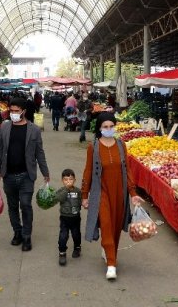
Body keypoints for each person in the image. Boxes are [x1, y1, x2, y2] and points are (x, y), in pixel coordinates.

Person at [82, 112, 143, 280]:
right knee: (107, 225)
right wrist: (84, 195)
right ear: (99, 128)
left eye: (111, 126)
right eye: (105, 127)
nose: (109, 130)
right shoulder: (93, 147)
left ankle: (109, 252)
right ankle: (111, 264)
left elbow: (128, 171)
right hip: (100, 192)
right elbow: (88, 171)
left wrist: (133, 193)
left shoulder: (121, 145)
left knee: (116, 227)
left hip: (120, 193)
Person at [0, 97, 50, 252]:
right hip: (8, 175)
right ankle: (17, 232)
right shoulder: (4, 128)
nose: (13, 113)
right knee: (12, 206)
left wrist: (45, 172)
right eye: (11, 111)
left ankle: (26, 236)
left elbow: (39, 152)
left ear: (23, 111)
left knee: (25, 204)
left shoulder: (34, 130)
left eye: (16, 111)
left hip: (26, 175)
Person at [56, 168, 82, 266]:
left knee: (76, 234)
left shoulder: (78, 191)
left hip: (75, 217)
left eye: (70, 179)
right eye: (66, 180)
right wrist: (66, 189)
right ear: (62, 181)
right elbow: (58, 198)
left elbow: (81, 201)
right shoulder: (61, 191)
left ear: (74, 180)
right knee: (63, 236)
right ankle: (62, 253)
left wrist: (84, 204)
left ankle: (77, 247)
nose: (68, 182)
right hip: (64, 218)